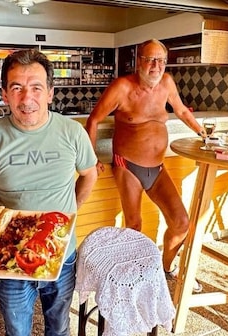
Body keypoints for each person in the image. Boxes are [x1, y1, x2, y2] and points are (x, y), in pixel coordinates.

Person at [0, 49, 98, 336]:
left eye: (37, 87)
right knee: (16, 333)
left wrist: (70, 214)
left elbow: (89, 175)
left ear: (50, 93)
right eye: (17, 88)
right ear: (4, 95)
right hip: (11, 260)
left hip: (60, 255)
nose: (27, 98)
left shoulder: (72, 132)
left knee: (59, 325)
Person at [85, 38, 205, 291]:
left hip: (158, 168)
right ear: (138, 62)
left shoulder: (167, 83)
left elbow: (182, 111)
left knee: (182, 222)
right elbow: (94, 120)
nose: (156, 66)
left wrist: (204, 133)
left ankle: (165, 268)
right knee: (135, 225)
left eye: (160, 60)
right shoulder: (122, 87)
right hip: (127, 165)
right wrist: (91, 158)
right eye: (150, 60)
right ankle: (135, 278)